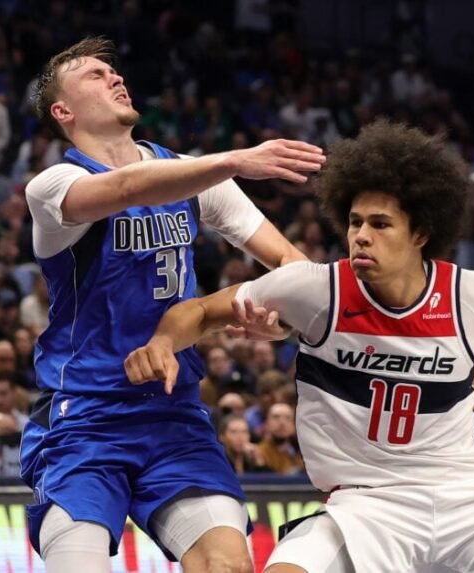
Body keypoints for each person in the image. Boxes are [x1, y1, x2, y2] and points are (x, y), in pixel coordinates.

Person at [128, 121, 474, 573]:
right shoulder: (314, 290)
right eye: (354, 222)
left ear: (421, 233)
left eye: (380, 224)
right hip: (366, 505)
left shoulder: (473, 296)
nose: (360, 235)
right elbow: (199, 311)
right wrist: (163, 341)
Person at [18, 37, 325, 573]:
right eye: (94, 75)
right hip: (84, 416)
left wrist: (278, 320)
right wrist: (235, 160)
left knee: (230, 566)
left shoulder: (193, 174)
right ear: (63, 112)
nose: (115, 77)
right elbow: (127, 190)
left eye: (114, 71)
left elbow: (293, 267)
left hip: (173, 413)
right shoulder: (53, 185)